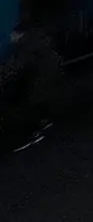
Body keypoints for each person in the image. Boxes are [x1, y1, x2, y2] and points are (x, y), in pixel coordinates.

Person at [2, 21, 61, 151]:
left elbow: (13, 67)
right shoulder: (39, 41)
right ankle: (42, 122)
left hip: (36, 82)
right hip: (47, 79)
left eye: (12, 34)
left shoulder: (24, 47)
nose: (10, 37)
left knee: (19, 103)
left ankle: (29, 136)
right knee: (35, 99)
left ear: (19, 34)